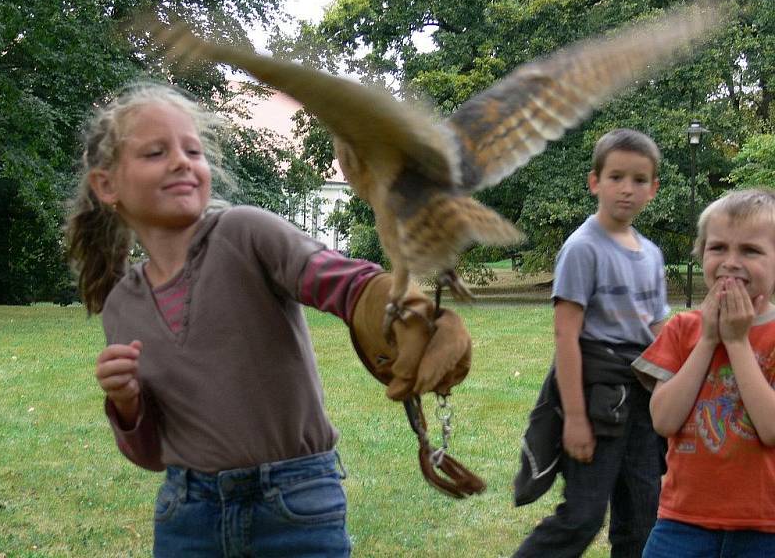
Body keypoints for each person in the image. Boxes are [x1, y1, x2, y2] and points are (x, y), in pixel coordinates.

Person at [65, 82, 472, 557]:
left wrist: (397, 310)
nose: (181, 161)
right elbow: (152, 455)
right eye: (156, 152)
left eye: (192, 149)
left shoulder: (245, 233)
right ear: (106, 184)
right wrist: (127, 404)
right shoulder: (121, 306)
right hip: (188, 515)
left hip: (295, 504)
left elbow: (341, 281)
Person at [513, 128, 669, 557]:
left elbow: (658, 333)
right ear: (594, 181)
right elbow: (566, 335)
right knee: (582, 515)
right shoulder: (583, 247)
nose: (627, 189)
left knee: (642, 518)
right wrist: (576, 419)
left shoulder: (652, 254)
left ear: (654, 188)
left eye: (639, 180)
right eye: (616, 177)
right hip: (597, 395)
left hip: (644, 399)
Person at [633, 188, 775, 557]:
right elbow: (663, 420)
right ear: (700, 255)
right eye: (718, 248)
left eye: (750, 250)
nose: (731, 262)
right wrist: (709, 339)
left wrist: (738, 343)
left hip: (764, 526)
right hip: (681, 521)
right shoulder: (682, 329)